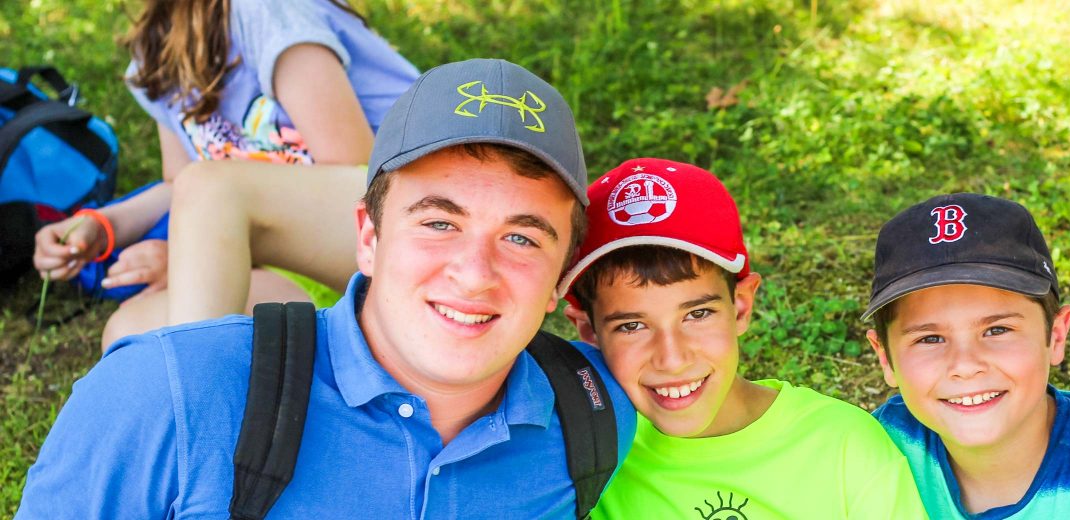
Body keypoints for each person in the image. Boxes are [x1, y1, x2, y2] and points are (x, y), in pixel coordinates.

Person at [19, 59, 636, 518]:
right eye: (439, 222)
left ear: (561, 277)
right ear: (367, 237)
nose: (474, 273)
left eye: (522, 238)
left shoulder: (596, 414)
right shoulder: (163, 397)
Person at [30, 0, 419, 347]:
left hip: (411, 220)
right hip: (309, 266)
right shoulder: (156, 52)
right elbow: (178, 184)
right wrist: (101, 224)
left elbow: (361, 174)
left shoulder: (267, 10)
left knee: (211, 190)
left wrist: (198, 254)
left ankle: (197, 416)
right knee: (130, 331)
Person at [560, 158, 926, 518]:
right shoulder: (583, 461)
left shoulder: (846, 448)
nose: (672, 359)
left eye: (697, 314)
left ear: (741, 307)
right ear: (588, 331)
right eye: (632, 326)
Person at [863, 193, 1070, 519]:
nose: (965, 365)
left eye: (997, 330)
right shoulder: (875, 452)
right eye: (930, 338)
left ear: (1055, 334)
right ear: (885, 358)